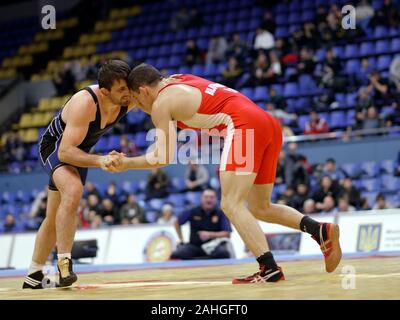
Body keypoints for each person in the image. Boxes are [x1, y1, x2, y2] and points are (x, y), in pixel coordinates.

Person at [105, 64, 342, 284]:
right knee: (260, 207)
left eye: (136, 100)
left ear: (144, 90)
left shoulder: (160, 105)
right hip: (268, 124)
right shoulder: (178, 80)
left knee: (231, 204)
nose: (140, 108)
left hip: (244, 126)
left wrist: (126, 163)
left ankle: (269, 269)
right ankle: (320, 231)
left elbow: (163, 157)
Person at [23, 59, 135, 289]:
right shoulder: (85, 103)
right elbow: (65, 151)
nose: (128, 93)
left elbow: (153, 96)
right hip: (56, 149)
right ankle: (64, 265)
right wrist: (101, 160)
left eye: (128, 86)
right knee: (73, 190)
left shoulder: (127, 98)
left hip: (79, 152)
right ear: (104, 92)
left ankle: (33, 276)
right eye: (121, 89)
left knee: (54, 217)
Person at [170, 188, 232, 260]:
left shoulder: (221, 213)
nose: (208, 200)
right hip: (195, 246)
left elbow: (227, 234)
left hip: (214, 246)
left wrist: (209, 235)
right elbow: (177, 222)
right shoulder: (192, 210)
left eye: (211, 197)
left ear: (216, 199)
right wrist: (181, 239)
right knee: (177, 253)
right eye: (206, 197)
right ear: (201, 198)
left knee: (223, 253)